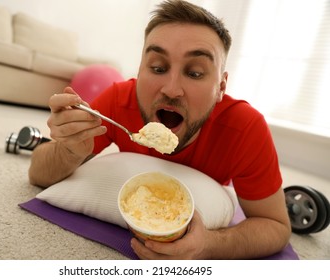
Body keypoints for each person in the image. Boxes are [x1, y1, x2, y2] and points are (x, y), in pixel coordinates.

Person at [29, 0, 291, 259]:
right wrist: (70, 151)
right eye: (157, 68)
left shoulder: (245, 128)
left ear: (221, 87)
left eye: (196, 73)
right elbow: (37, 174)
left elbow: (276, 227)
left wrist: (209, 245)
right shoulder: (119, 100)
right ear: (140, 71)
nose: (171, 89)